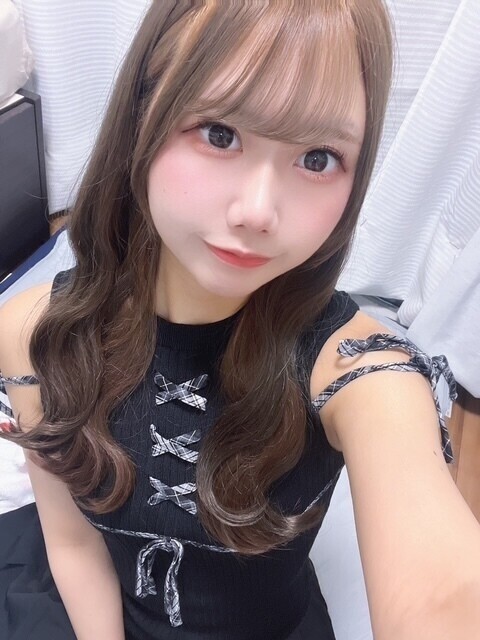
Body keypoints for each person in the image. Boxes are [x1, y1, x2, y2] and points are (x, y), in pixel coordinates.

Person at [0, 1, 479, 639]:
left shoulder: (358, 372)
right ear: (143, 115)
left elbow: (443, 594)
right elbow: (72, 543)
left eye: (318, 158)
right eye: (220, 133)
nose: (258, 211)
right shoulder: (34, 332)